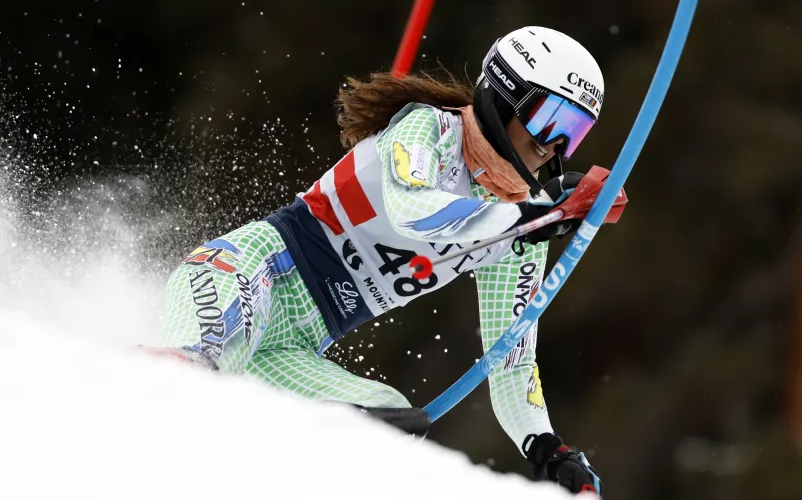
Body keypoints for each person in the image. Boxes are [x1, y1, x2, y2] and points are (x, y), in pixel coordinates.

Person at [159, 26, 611, 495]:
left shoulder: (516, 233)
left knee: (385, 421)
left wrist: (547, 450)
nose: (554, 145)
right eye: (550, 119)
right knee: (204, 365)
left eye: (574, 134)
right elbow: (412, 210)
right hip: (247, 272)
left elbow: (511, 358)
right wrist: (531, 214)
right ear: (504, 97)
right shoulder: (429, 129)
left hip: (288, 350)